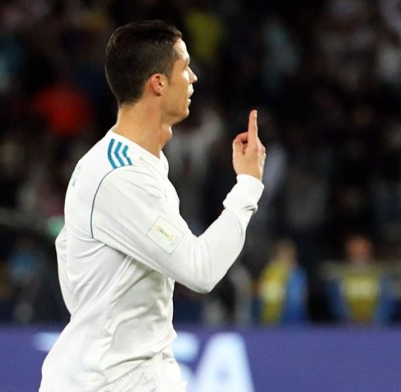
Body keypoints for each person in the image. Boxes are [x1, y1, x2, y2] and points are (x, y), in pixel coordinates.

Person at [39, 20, 266, 392]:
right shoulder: (119, 176)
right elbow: (200, 269)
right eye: (184, 68)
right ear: (158, 83)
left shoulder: (135, 163)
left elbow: (72, 259)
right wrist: (248, 185)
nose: (193, 78)